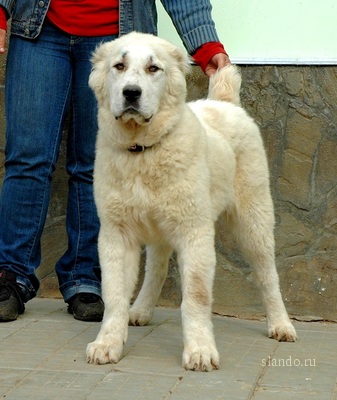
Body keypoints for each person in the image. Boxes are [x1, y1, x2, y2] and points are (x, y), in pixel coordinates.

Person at [0, 0, 230, 322]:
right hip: (39, 28)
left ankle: (84, 277)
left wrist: (204, 42)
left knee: (89, 163)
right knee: (27, 158)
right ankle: (11, 275)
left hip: (117, 34)